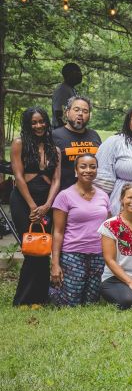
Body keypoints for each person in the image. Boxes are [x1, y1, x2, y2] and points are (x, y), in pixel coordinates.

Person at [10, 107, 61, 305]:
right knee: (31, 249)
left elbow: (56, 179)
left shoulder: (54, 148)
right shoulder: (19, 144)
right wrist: (33, 207)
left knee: (44, 248)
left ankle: (40, 298)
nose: (39, 126)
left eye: (42, 122)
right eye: (34, 122)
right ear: (28, 124)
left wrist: (47, 205)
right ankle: (22, 299)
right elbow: (19, 177)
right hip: (24, 202)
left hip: (46, 201)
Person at [49, 153, 109, 306]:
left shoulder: (103, 196)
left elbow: (108, 227)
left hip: (98, 254)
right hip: (73, 254)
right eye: (83, 166)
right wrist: (55, 263)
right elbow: (57, 231)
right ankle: (50, 291)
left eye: (92, 167)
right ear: (76, 170)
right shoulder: (64, 196)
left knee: (91, 302)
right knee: (71, 302)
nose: (88, 170)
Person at [52, 95, 102, 191]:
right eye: (76, 109)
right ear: (67, 112)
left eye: (85, 111)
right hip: (64, 195)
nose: (80, 114)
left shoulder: (94, 135)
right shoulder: (55, 136)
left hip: (90, 193)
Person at [51, 62, 82, 128]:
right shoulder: (63, 90)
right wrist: (66, 132)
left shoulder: (70, 89)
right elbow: (59, 113)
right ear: (69, 75)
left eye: (80, 72)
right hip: (61, 130)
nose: (80, 75)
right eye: (77, 72)